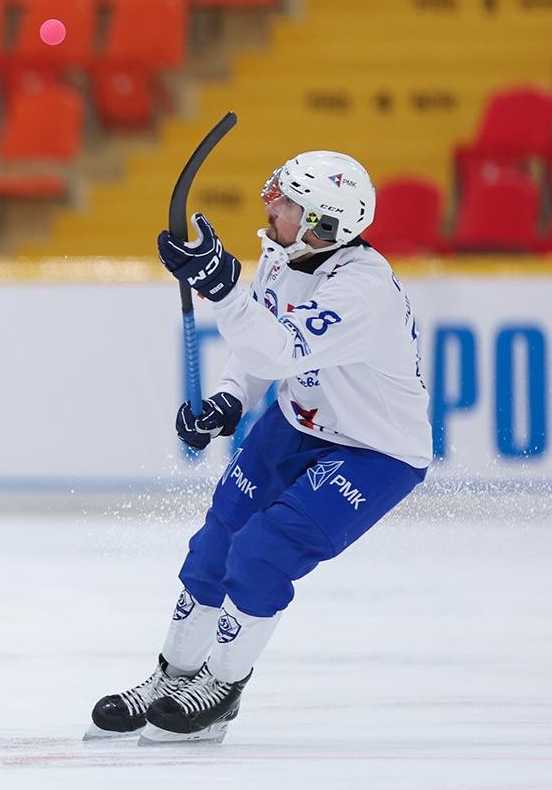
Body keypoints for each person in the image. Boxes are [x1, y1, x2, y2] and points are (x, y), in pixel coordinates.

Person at [86, 151, 432, 744]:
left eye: (290, 204)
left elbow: (279, 351)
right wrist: (229, 400)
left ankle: (222, 687)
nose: (272, 206)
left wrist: (221, 288)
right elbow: (257, 354)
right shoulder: (283, 257)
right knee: (217, 541)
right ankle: (174, 676)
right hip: (298, 422)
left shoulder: (361, 289)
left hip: (374, 453)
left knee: (263, 551)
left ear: (325, 226)